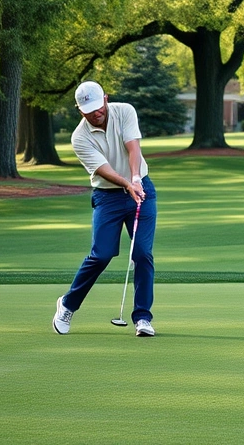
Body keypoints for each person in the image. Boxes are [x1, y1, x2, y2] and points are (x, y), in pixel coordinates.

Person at [53, 81, 158, 337]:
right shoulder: (79, 137)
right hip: (107, 196)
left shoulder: (125, 111)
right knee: (101, 254)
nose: (96, 113)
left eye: (98, 107)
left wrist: (135, 179)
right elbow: (104, 170)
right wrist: (126, 183)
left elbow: (133, 146)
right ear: (80, 110)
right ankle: (67, 304)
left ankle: (142, 318)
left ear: (106, 99)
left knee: (142, 254)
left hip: (141, 188)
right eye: (89, 110)